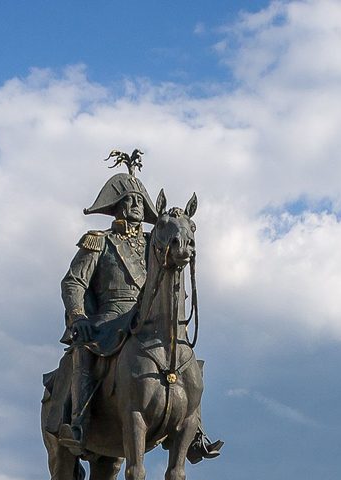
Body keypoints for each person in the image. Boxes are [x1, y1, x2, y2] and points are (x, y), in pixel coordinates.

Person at [56, 154, 222, 462]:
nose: (134, 205)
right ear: (116, 204)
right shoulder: (99, 241)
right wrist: (78, 315)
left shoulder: (154, 241)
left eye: (138, 200)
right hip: (108, 319)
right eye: (128, 199)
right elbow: (73, 282)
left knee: (186, 357)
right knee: (85, 351)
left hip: (145, 313)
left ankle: (194, 430)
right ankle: (79, 422)